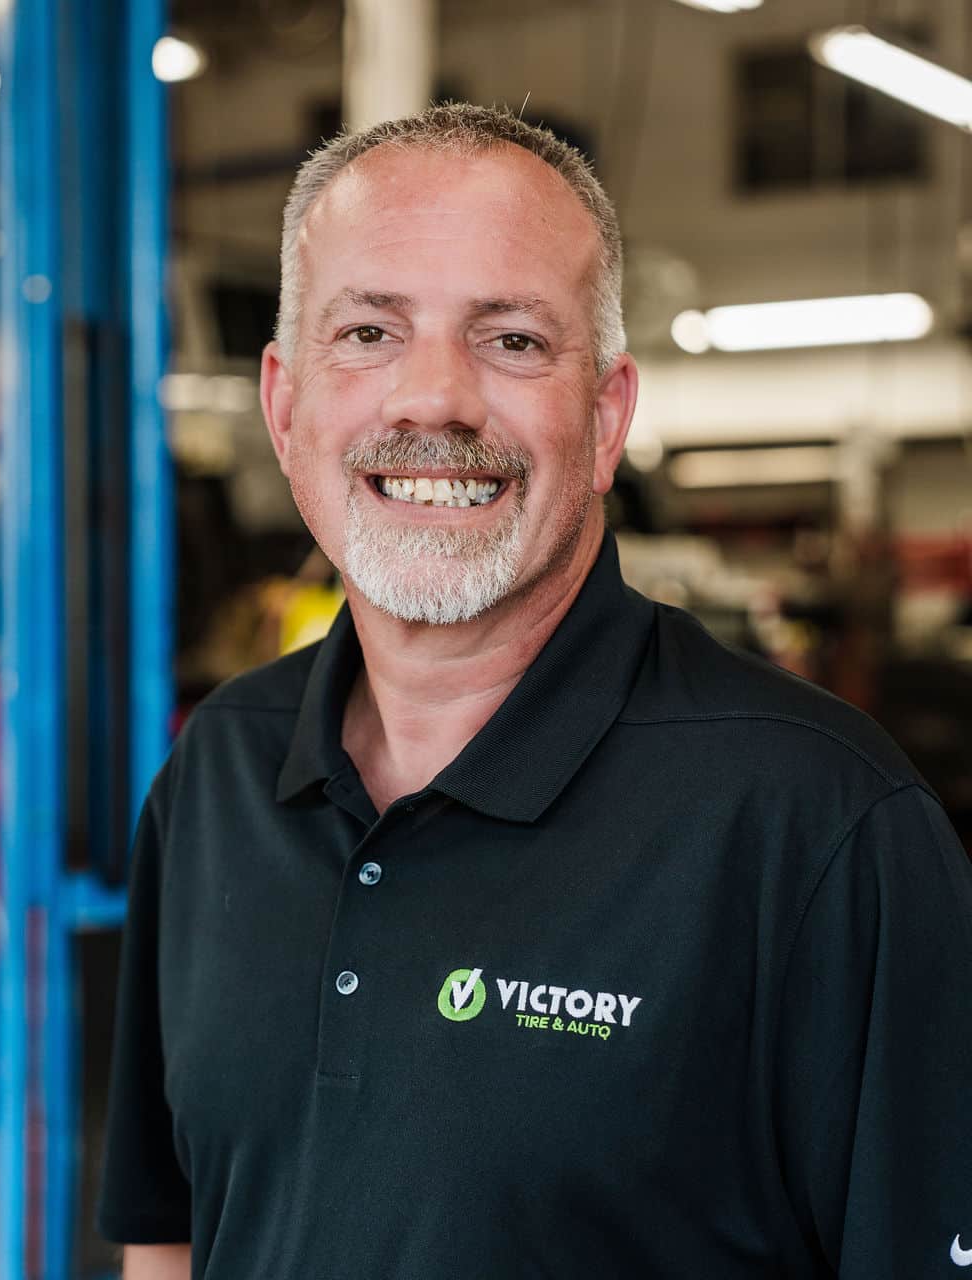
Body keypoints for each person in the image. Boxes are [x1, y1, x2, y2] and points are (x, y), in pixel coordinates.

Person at [97, 104, 972, 1280]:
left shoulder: (819, 825)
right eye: (366, 331)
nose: (433, 400)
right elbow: (171, 1227)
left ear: (606, 419)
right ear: (285, 406)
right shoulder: (216, 772)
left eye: (510, 340)